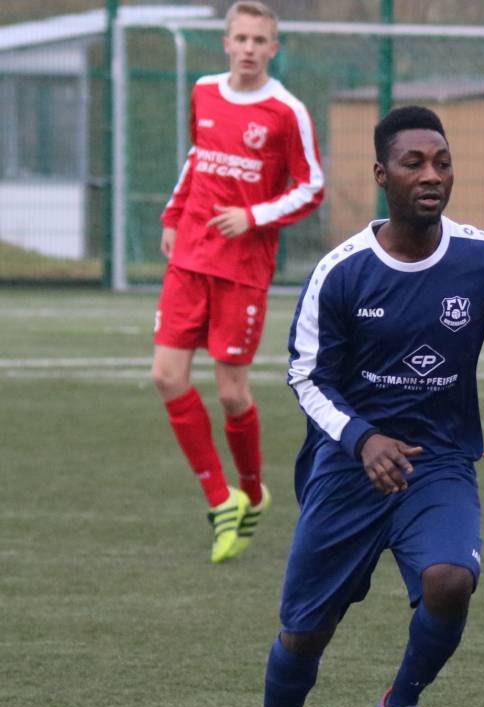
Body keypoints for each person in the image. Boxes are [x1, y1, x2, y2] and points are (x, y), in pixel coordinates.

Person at [231, 105, 484, 707]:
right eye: (414, 163)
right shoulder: (342, 272)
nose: (431, 175)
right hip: (346, 468)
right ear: (382, 175)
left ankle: (401, 704)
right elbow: (307, 377)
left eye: (441, 162)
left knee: (451, 580)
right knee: (305, 631)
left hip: (436, 460)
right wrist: (362, 438)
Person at [151, 1, 324, 564]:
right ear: (225, 43)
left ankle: (252, 489)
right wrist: (175, 217)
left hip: (242, 269)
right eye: (240, 38)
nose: (249, 48)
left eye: (259, 40)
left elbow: (311, 186)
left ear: (274, 48)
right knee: (167, 375)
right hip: (191, 258)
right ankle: (220, 498)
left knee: (231, 392)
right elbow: (199, 159)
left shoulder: (285, 111)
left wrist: (254, 217)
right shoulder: (203, 91)